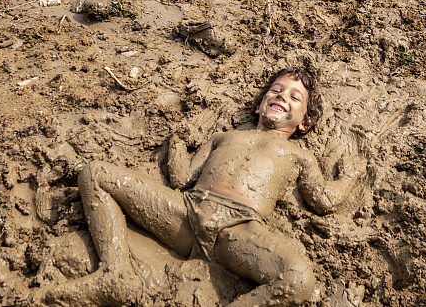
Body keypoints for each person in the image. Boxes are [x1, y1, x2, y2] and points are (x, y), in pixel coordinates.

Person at [42, 67, 365, 306]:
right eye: (276, 90)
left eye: (295, 97)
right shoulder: (224, 137)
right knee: (96, 173)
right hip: (186, 213)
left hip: (237, 231)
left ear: (304, 122)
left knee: (299, 277)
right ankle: (116, 275)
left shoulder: (298, 155)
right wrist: (177, 145)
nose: (282, 96)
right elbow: (183, 179)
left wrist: (348, 177)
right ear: (258, 105)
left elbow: (322, 198)